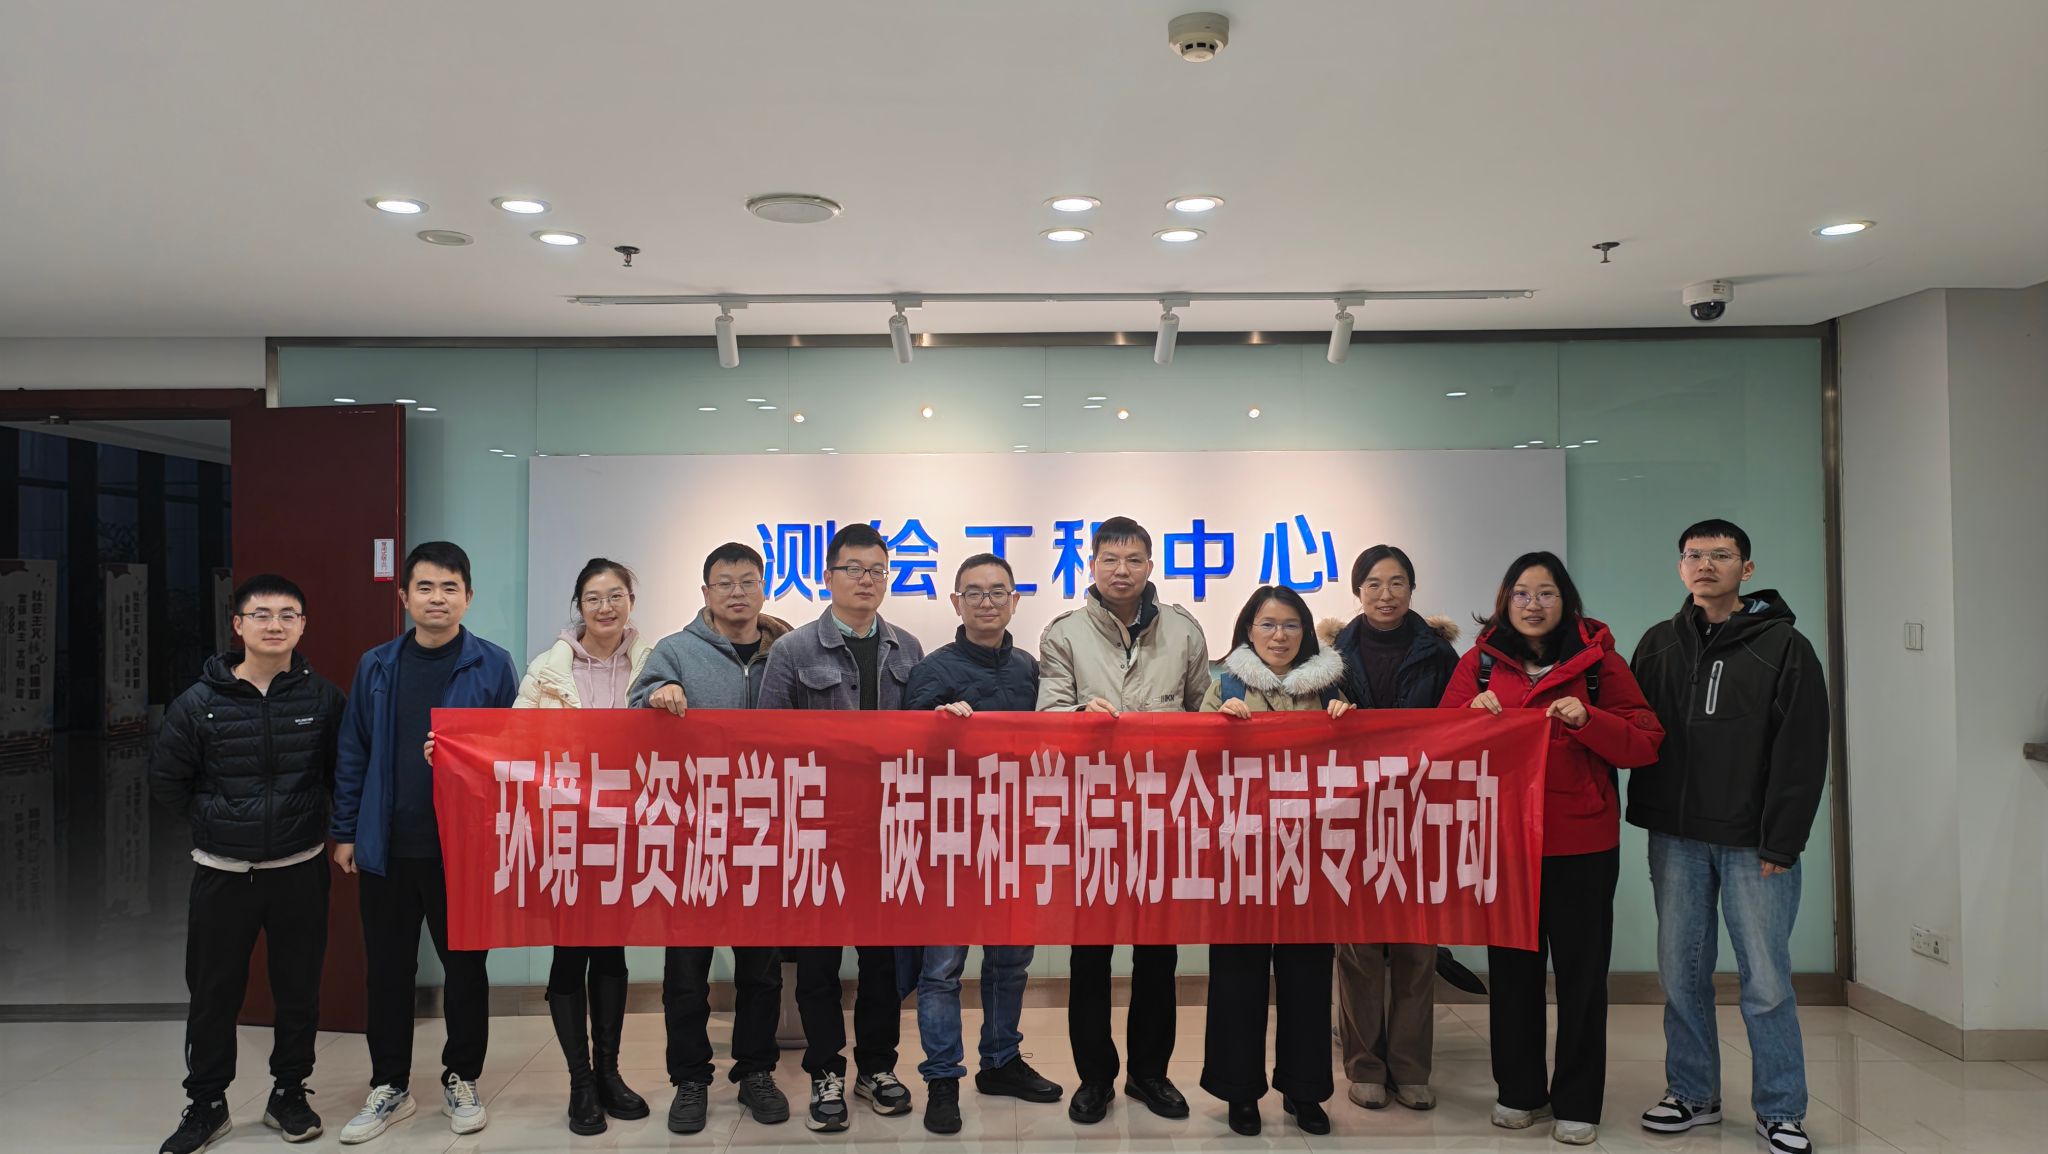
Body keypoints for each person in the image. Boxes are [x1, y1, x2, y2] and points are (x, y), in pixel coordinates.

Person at [1443, 551, 1664, 1147]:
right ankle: (1519, 1092)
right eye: (1521, 593)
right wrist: (1468, 714)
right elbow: (1438, 745)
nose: (1533, 604)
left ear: (1566, 601)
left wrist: (1589, 719)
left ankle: (1578, 1101)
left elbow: (1645, 743)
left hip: (1582, 844)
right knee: (1513, 974)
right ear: (1504, 601)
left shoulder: (1599, 664)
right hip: (1505, 844)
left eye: (1546, 593)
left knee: (1582, 978)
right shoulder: (1480, 664)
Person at [1626, 521, 1829, 1154]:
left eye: (1721, 554)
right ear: (1679, 566)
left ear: (1747, 568)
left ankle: (1781, 1109)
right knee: (1681, 974)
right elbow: (1633, 727)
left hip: (1753, 843)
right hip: (1676, 838)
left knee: (1765, 981)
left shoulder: (1784, 646)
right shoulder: (1658, 644)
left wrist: (1782, 841)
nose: (1706, 564)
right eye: (1694, 554)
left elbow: (1803, 750)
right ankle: (1692, 1093)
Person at [149, 574, 347, 1154]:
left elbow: (343, 773)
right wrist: (217, 820)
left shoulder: (322, 699)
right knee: (213, 993)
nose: (274, 625)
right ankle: (207, 1103)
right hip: (223, 873)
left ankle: (289, 1092)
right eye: (261, 614)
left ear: (302, 626)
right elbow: (167, 781)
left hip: (299, 868)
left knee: (298, 989)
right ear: (238, 625)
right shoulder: (199, 703)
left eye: (288, 615)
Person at [331, 541, 518, 1146]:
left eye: (450, 588)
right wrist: (345, 831)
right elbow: (353, 750)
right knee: (388, 971)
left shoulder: (493, 664)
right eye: (426, 588)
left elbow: (513, 754)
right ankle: (390, 1084)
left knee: (466, 969)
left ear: (468, 596)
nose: (438, 599)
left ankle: (462, 1077)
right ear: (404, 596)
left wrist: (469, 757)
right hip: (387, 845)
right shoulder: (377, 665)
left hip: (463, 850)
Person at [1035, 516, 1211, 1125]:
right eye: (1110, 559)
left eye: (1134, 559)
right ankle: (1094, 1079)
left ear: (1150, 566)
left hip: (1163, 815)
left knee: (1158, 954)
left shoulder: (1184, 630)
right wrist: (1079, 716)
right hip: (1092, 815)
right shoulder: (1064, 633)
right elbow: (1047, 715)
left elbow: (1204, 715)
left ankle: (1150, 1074)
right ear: (1090, 564)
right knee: (1090, 956)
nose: (1122, 570)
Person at [757, 523, 927, 1132]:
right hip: (818, 830)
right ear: (828, 577)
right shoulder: (793, 650)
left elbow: (923, 740)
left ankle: (877, 1067)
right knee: (819, 960)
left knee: (882, 961)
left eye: (877, 570)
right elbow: (769, 741)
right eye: (853, 569)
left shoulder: (908, 648)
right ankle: (825, 1069)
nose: (866, 580)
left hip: (887, 830)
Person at [628, 542, 795, 1134]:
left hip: (764, 832)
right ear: (705, 592)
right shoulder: (675, 651)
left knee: (761, 968)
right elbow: (632, 712)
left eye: (748, 581)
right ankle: (690, 1078)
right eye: (724, 583)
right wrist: (657, 696)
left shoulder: (788, 651)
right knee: (686, 971)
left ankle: (756, 1070)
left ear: (763, 588)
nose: (737, 593)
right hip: (692, 836)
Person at [901, 553, 1065, 1134]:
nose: (987, 601)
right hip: (950, 842)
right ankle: (942, 1078)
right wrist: (937, 725)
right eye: (974, 592)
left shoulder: (1032, 670)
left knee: (1010, 960)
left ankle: (1000, 1062)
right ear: (956, 602)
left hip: (1017, 838)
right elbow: (906, 751)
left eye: (998, 591)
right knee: (943, 967)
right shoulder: (932, 669)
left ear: (1015, 600)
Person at [1198, 584, 1350, 1137]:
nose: (1279, 635)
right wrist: (1215, 726)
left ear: (1305, 632)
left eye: (1290, 625)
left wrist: (1348, 721)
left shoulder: (1330, 687)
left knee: (1307, 975)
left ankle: (1304, 1091)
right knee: (1237, 976)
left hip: (1309, 854)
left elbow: (1358, 762)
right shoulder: (1223, 685)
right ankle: (1239, 1090)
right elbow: (1191, 763)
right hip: (1241, 853)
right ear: (1248, 629)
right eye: (1267, 624)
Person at [515, 558, 654, 1136]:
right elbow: (515, 743)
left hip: (627, 830)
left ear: (630, 602)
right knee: (571, 952)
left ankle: (609, 1074)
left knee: (612, 951)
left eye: (616, 595)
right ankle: (580, 1082)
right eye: (593, 597)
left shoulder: (653, 663)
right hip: (566, 832)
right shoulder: (547, 669)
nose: (605, 607)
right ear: (579, 605)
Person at [1324, 545, 1461, 1114]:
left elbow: (1460, 726)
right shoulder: (1330, 656)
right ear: (1357, 591)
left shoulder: (1439, 653)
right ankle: (1365, 1065)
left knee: (1417, 946)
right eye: (1374, 584)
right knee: (1357, 946)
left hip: (1420, 813)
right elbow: (1310, 727)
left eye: (1397, 582)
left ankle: (1410, 1066)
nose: (1386, 594)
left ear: (1412, 588)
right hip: (1353, 814)